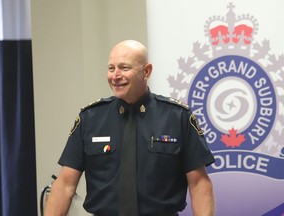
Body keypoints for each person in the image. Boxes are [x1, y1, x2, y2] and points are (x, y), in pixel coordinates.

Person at [44, 40, 215, 216]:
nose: (115, 75)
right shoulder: (90, 118)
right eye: (111, 68)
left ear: (146, 71)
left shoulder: (177, 117)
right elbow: (65, 185)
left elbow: (199, 184)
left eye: (124, 68)